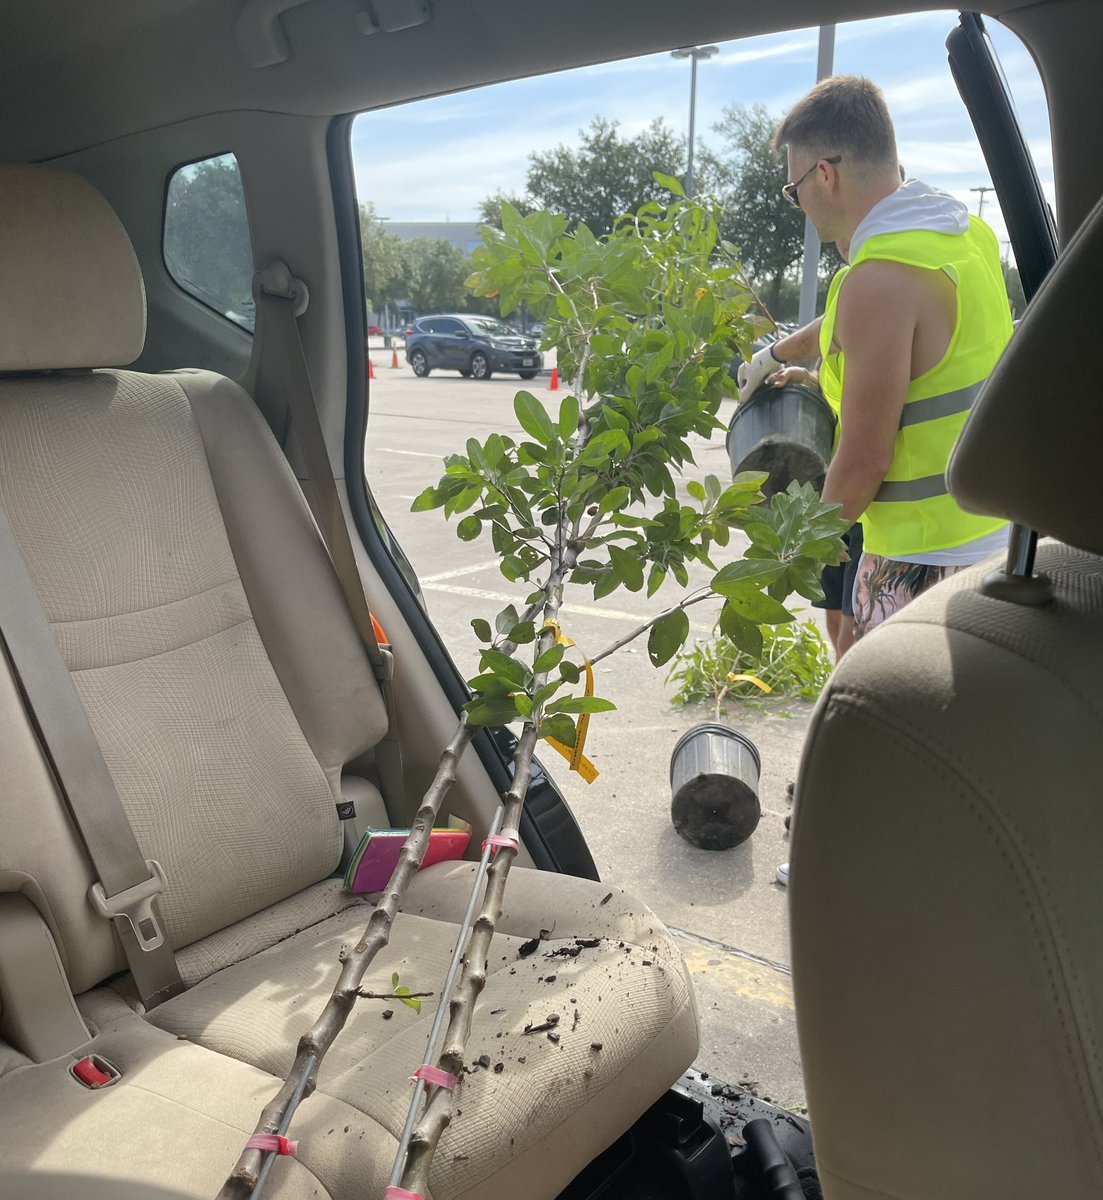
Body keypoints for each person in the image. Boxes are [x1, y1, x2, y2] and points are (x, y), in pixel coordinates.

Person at [738, 77, 1014, 884]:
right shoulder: (954, 232)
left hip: (918, 555)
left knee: (871, 724)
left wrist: (785, 557)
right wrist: (783, 355)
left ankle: (850, 869)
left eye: (793, 187)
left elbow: (860, 462)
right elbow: (878, 327)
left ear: (823, 173)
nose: (797, 205)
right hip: (986, 529)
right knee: (946, 730)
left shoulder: (875, 278)